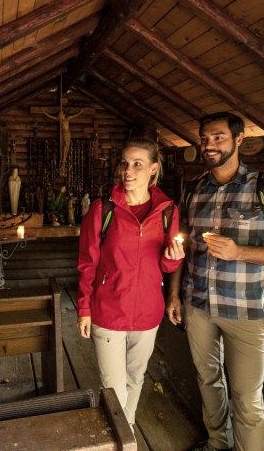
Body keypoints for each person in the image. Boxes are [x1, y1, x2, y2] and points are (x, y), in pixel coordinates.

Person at [166, 112, 264, 451]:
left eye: (217, 137)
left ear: (239, 139)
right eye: (204, 138)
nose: (209, 145)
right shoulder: (194, 190)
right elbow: (182, 250)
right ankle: (218, 443)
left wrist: (239, 252)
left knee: (247, 398)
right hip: (197, 304)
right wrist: (174, 296)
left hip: (245, 311)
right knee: (208, 381)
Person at [77, 137, 185, 429]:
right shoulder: (103, 209)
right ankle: (123, 440)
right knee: (113, 389)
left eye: (137, 164)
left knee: (136, 379)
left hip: (148, 313)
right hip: (108, 311)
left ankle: (125, 433)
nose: (128, 170)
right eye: (125, 163)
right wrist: (84, 308)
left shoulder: (167, 212)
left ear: (153, 169)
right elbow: (87, 264)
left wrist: (174, 259)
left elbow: (166, 265)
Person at [43, 107, 84, 176]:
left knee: (66, 147)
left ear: (63, 114)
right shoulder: (60, 120)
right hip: (64, 134)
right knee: (64, 147)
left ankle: (64, 160)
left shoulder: (67, 119)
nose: (59, 115)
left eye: (60, 114)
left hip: (68, 134)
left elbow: (75, 115)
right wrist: (45, 113)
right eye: (59, 114)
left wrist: (81, 111)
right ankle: (63, 162)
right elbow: (52, 117)